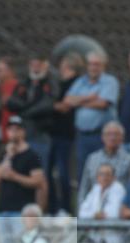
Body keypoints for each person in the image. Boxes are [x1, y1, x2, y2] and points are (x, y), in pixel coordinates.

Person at [0, 115, 46, 243]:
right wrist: (8, 156)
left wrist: (14, 176)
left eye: (17, 129)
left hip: (21, 211)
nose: (13, 132)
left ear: (23, 132)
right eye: (10, 129)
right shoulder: (3, 152)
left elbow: (38, 181)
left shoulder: (32, 155)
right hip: (3, 210)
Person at [64, 50, 120, 180]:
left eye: (97, 64)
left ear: (103, 66)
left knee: (103, 172)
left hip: (102, 136)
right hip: (82, 136)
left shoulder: (110, 81)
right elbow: (67, 100)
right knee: (83, 173)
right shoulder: (81, 81)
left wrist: (78, 102)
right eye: (91, 64)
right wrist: (89, 97)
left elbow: (103, 103)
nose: (93, 67)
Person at [6, 55, 55, 171]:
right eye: (33, 65)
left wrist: (25, 110)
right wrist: (28, 106)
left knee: (40, 170)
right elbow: (12, 101)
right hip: (23, 134)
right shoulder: (24, 83)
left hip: (40, 133)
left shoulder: (50, 82)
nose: (35, 68)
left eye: (39, 65)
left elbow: (47, 104)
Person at [50, 54, 83, 215]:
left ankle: (66, 207)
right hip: (55, 133)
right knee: (52, 172)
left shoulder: (75, 83)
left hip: (66, 134)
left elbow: (66, 105)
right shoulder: (59, 84)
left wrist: (52, 105)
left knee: (64, 173)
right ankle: (54, 207)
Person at [78, 121, 130, 206]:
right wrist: (82, 208)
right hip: (94, 208)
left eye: (116, 134)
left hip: (118, 207)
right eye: (109, 134)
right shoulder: (92, 158)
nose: (112, 138)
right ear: (102, 137)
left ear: (122, 138)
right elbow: (84, 187)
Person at [78, 163, 125, 243]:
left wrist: (93, 216)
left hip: (112, 241)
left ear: (113, 177)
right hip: (95, 240)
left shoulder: (118, 188)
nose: (104, 177)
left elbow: (114, 214)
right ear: (97, 177)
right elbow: (82, 213)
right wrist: (95, 215)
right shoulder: (96, 188)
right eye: (101, 174)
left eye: (108, 174)